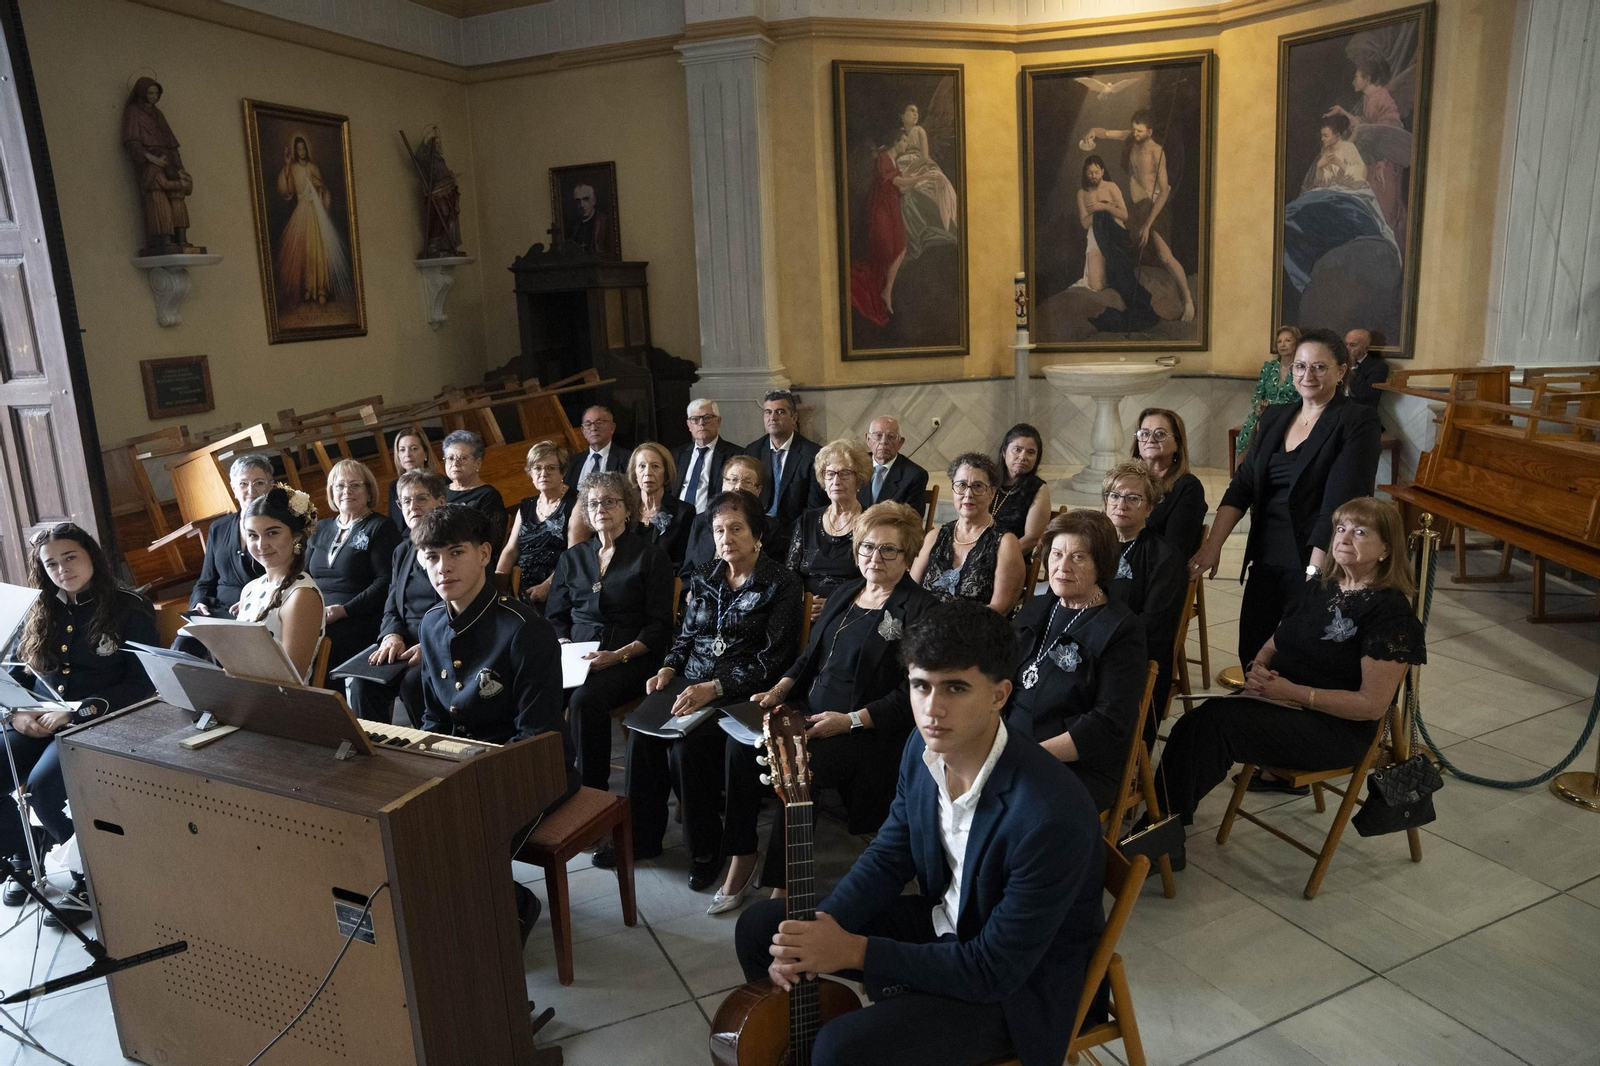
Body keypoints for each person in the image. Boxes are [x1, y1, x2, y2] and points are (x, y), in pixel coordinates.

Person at [733, 600, 1107, 1066]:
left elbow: (993, 970)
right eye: (920, 686)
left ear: (999, 694)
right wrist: (822, 929)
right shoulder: (922, 748)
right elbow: (890, 855)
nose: (933, 709)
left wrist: (854, 950)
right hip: (944, 926)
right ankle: (792, 1044)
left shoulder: (1051, 814)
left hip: (1015, 988)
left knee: (840, 1049)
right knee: (761, 928)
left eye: (955, 688)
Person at [1157, 497, 1425, 863]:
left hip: (1335, 729)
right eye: (1341, 529)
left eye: (1360, 532)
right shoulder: (1322, 587)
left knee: (1211, 726)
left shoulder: (1390, 613)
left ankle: (1160, 833)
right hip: (1283, 705)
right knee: (1197, 723)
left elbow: (1370, 706)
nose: (1345, 538)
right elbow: (1275, 639)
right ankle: (1159, 824)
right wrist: (1258, 667)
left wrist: (1292, 692)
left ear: (1386, 549)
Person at [740, 503, 937, 899]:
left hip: (867, 731)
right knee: (738, 750)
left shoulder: (920, 609)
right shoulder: (846, 592)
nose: (873, 558)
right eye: (866, 547)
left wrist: (849, 721)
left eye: (888, 550)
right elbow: (808, 657)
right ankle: (739, 859)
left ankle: (783, 888)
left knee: (798, 770)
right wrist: (778, 691)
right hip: (810, 713)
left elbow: (910, 696)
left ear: (909, 553)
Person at [614, 491, 801, 894]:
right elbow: (685, 636)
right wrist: (667, 668)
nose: (726, 538)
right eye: (719, 530)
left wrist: (714, 687)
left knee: (687, 749)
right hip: (689, 685)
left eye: (736, 529)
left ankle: (705, 850)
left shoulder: (781, 583)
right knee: (643, 737)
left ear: (758, 535)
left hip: (740, 695)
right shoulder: (704, 575)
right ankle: (643, 839)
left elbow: (773, 661)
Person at [412, 504, 580, 944]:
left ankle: (510, 915)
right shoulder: (431, 623)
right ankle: (458, 921)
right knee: (410, 824)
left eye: (455, 553)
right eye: (431, 557)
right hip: (466, 764)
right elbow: (434, 716)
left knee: (463, 833)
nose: (442, 567)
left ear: (485, 554)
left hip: (533, 768)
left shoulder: (525, 628)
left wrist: (469, 780)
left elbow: (537, 736)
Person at [1190, 329, 1382, 667]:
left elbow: (1339, 506)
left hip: (1315, 557)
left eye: (1320, 367)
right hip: (1266, 556)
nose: (1307, 375)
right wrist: (1212, 545)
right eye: (1300, 366)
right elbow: (1243, 485)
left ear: (1341, 371)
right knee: (1251, 650)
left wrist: (1314, 574)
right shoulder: (1275, 417)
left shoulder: (1356, 420)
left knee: (1299, 657)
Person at [6, 524, 157, 924]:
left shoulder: (129, 606)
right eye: (51, 563)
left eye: (70, 557)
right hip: (41, 717)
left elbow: (145, 683)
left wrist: (78, 712)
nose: (62, 569)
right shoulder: (41, 608)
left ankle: (87, 874)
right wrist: (18, 714)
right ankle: (24, 849)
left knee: (41, 788)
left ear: (91, 553)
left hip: (102, 718)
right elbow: (19, 674)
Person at [1008, 511, 1147, 811]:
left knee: (1007, 807)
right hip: (1010, 745)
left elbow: (1108, 724)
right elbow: (997, 676)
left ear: (1103, 563)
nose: (1062, 567)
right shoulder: (1037, 607)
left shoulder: (1122, 630)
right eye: (1056, 554)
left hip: (1075, 763)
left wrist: (1027, 756)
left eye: (1078, 557)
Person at [547, 471, 675, 795]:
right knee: (536, 692)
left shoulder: (651, 556)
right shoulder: (571, 558)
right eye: (593, 503)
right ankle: (552, 784)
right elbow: (555, 616)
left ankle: (591, 793)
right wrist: (565, 648)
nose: (600, 508)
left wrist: (618, 655)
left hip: (630, 657)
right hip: (576, 657)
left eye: (609, 501)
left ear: (627, 509)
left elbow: (659, 625)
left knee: (584, 700)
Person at [348, 471, 448, 726]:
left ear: (441, 501)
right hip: (405, 642)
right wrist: (392, 636)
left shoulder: (455, 547)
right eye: (406, 501)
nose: (413, 507)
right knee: (362, 683)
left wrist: (431, 646)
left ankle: (432, 751)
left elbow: (465, 609)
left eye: (421, 498)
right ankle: (376, 752)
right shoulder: (402, 551)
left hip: (444, 640)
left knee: (413, 683)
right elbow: (391, 606)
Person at [1085, 108, 1197, 322]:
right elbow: (1106, 132)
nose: (1135, 134)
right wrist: (1092, 131)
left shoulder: (1157, 152)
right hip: (1136, 208)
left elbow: (1165, 190)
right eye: (1134, 129)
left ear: (1150, 131)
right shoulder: (1131, 139)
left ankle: (1188, 300)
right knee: (1118, 241)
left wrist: (1148, 224)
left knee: (1165, 256)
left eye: (1139, 131)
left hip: (1155, 208)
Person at [1103, 462, 1187, 742]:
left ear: (1150, 507)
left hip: (1134, 659)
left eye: (1133, 498)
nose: (1121, 504)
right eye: (1114, 496)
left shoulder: (1165, 557)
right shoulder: (1091, 546)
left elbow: (1154, 625)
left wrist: (1102, 648)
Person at [306, 459, 401, 670]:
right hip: (315, 614)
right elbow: (302, 576)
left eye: (355, 485)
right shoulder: (320, 528)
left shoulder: (381, 527)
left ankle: (327, 700)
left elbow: (385, 581)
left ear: (369, 491)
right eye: (340, 485)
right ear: (332, 492)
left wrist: (344, 610)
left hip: (358, 617)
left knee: (319, 642)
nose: (346, 491)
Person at [912, 453, 1023, 614]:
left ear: (992, 493)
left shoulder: (1005, 543)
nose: (968, 494)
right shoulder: (934, 536)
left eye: (978, 486)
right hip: (924, 627)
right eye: (962, 485)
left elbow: (1000, 609)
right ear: (953, 488)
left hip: (973, 632)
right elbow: (911, 590)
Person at [237, 486, 326, 682]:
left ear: (295, 535)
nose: (261, 545)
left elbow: (291, 678)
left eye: (272, 533)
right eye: (253, 535)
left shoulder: (302, 595)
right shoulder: (249, 590)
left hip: (281, 702)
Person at [183, 453, 269, 633]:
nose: (251, 491)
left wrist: (253, 600)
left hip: (260, 611)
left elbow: (285, 579)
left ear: (271, 486)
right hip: (217, 612)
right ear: (233, 488)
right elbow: (205, 581)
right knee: (184, 643)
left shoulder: (280, 527)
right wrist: (198, 602)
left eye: (259, 483)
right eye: (243, 484)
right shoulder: (218, 528)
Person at [1073, 155, 1159, 333]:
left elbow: (1125, 215)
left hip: (1115, 237)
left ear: (1103, 171)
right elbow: (1084, 223)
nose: (1094, 176)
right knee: (1097, 286)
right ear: (1085, 174)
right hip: (1095, 237)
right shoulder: (1082, 194)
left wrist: (1104, 207)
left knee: (1120, 277)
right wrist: (1096, 213)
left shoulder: (1111, 187)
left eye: (1097, 172)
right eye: (1090, 173)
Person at [788, 439, 871, 609]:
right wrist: (802, 603)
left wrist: (833, 605)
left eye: (845, 473)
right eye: (830, 474)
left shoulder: (871, 523)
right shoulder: (807, 520)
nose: (836, 481)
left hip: (850, 610)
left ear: (859, 479)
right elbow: (790, 573)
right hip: (804, 609)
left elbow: (874, 581)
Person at [495, 441, 578, 609]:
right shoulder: (526, 505)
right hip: (521, 587)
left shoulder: (576, 502)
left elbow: (574, 553)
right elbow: (511, 549)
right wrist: (498, 586)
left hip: (559, 587)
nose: (543, 473)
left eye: (551, 468)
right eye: (537, 468)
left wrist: (547, 586)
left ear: (563, 471)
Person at [275, 135, 355, 307]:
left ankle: (321, 289)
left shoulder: (313, 167)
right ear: (295, 151)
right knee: (307, 251)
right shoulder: (293, 168)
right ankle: (309, 288)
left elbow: (324, 189)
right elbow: (287, 191)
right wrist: (287, 165)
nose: (301, 151)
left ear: (306, 150)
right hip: (301, 215)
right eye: (298, 149)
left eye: (303, 148)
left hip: (316, 213)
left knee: (319, 251)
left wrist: (317, 184)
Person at [746, 390, 824, 555]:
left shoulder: (813, 454)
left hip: (793, 534)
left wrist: (788, 534)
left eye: (780, 412)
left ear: (794, 418)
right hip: (757, 531)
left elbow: (814, 507)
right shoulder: (753, 451)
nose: (773, 417)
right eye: (768, 412)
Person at [1131, 408, 1207, 558]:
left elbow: (1174, 549)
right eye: (1145, 434)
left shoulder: (1188, 487)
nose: (1150, 439)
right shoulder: (1126, 480)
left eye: (1160, 434)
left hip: (1158, 570)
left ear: (1177, 444)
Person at [681, 456, 768, 578]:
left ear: (758, 490)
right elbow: (687, 570)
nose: (738, 487)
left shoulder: (767, 525)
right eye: (732, 479)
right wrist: (689, 593)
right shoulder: (701, 521)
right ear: (723, 483)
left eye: (747, 482)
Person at [1236, 326, 1304, 460]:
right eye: (1279, 341)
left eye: (1287, 341)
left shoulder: (1302, 369)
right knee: (1250, 428)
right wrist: (1258, 408)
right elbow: (1257, 394)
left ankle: (1263, 470)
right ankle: (1241, 474)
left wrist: (1279, 411)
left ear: (1296, 343)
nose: (1283, 345)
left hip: (1288, 415)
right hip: (1264, 413)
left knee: (1266, 428)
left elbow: (1303, 399)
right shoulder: (1269, 367)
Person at [671, 399, 744, 513]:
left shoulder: (735, 455)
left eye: (707, 418)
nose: (701, 423)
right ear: (689, 425)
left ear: (718, 421)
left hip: (713, 519)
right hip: (678, 519)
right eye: (695, 419)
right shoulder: (677, 455)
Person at [629, 442, 695, 569]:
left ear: (666, 473)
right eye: (642, 466)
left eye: (655, 466)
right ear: (634, 473)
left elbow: (683, 562)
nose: (647, 472)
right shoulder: (625, 510)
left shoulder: (684, 512)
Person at [990, 423, 1052, 555]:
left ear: (1037, 458)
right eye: (1017, 449)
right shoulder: (988, 481)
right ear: (1004, 451)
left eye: (1030, 452)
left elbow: (1031, 539)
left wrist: (995, 558)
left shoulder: (1039, 489)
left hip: (1011, 559)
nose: (1023, 457)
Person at [442, 429, 508, 551]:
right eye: (450, 458)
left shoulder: (488, 495)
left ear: (478, 464)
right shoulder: (440, 492)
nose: (455, 463)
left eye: (463, 458)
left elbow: (492, 541)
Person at [858, 416, 929, 516]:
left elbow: (913, 520)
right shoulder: (856, 465)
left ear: (900, 442)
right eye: (878, 435)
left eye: (891, 437)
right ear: (868, 439)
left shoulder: (914, 475)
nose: (883, 442)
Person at [385, 431, 434, 535]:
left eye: (414, 449)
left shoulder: (440, 482)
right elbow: (393, 524)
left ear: (426, 453)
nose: (407, 454)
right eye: (402, 450)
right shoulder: (394, 486)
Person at [565, 405, 626, 486]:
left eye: (599, 423)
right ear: (583, 431)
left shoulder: (627, 460)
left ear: (612, 428)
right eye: (588, 424)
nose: (593, 428)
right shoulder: (572, 463)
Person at [565, 182, 613, 256]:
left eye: (586, 199)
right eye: (578, 201)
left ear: (593, 201)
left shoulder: (605, 222)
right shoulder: (572, 226)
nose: (582, 205)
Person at [1346, 327, 1389, 407]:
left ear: (1366, 349)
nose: (1347, 349)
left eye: (1352, 345)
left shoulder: (1379, 367)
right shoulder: (1339, 364)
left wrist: (1352, 368)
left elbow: (1365, 394)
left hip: (1361, 414)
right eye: (1346, 344)